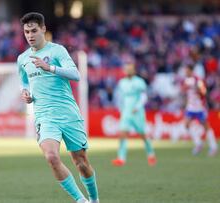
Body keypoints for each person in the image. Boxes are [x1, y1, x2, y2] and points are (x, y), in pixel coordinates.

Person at [17, 12, 99, 203]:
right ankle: (81, 201)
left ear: (43, 29)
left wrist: (50, 68)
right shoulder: (22, 59)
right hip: (44, 116)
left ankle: (95, 200)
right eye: (26, 31)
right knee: (52, 157)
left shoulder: (57, 51)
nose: (30, 35)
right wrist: (25, 92)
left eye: (34, 30)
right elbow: (24, 81)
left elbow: (75, 74)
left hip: (68, 113)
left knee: (81, 162)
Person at [112, 64, 156, 167]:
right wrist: (120, 108)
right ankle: (121, 158)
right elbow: (120, 97)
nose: (128, 71)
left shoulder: (139, 82)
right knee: (122, 134)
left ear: (134, 71)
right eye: (126, 69)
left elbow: (144, 96)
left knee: (142, 134)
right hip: (126, 112)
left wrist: (138, 106)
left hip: (137, 112)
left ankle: (151, 154)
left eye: (130, 69)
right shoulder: (122, 82)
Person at [182, 64, 218, 156]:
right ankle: (198, 143)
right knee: (186, 124)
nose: (185, 72)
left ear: (191, 70)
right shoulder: (186, 80)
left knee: (206, 126)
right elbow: (186, 93)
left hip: (200, 107)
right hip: (190, 107)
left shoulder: (197, 79)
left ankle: (213, 146)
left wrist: (198, 90)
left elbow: (204, 92)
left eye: (186, 70)